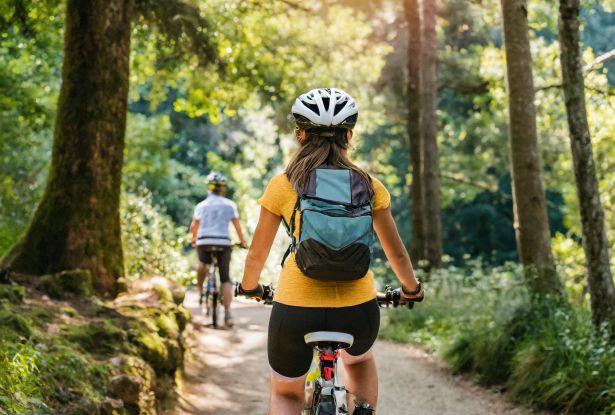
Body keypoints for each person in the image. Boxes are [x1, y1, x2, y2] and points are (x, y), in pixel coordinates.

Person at [237, 88, 424, 414]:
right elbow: (397, 254)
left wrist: (250, 286)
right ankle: (362, 408)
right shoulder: (369, 186)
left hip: (295, 309)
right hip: (358, 311)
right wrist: (411, 289)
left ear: (300, 135)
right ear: (349, 135)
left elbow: (257, 254)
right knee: (359, 361)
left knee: (286, 394)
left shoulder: (284, 185)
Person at [190, 172, 248, 328]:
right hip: (223, 243)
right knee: (225, 278)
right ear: (223, 189)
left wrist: (193, 239)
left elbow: (194, 226)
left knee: (203, 263)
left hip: (204, 242)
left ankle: (201, 292)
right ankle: (228, 314)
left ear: (209, 188)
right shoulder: (230, 205)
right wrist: (242, 242)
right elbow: (237, 226)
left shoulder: (201, 206)